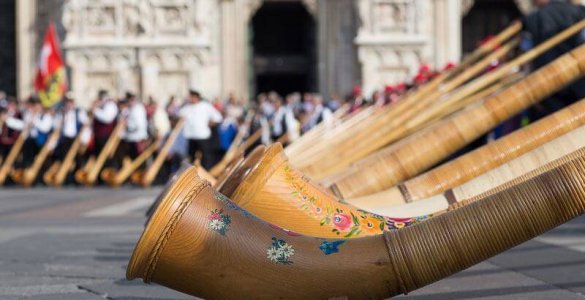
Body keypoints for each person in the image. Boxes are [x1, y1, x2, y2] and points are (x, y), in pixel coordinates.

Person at [522, 0, 585, 119]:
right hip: (577, 83)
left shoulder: (533, 18)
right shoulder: (577, 12)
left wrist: (531, 88)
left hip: (546, 86)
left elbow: (527, 57)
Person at [179, 90, 222, 169]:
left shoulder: (205, 106)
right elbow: (179, 117)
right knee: (191, 158)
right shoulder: (186, 108)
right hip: (191, 137)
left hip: (202, 136)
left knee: (206, 158)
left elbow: (217, 118)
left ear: (196, 97)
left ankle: (206, 173)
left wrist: (210, 123)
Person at [52, 96, 89, 163]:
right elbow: (56, 125)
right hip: (65, 138)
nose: (69, 104)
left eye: (70, 102)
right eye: (67, 102)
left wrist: (81, 135)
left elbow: (86, 123)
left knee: (77, 156)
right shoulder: (62, 113)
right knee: (63, 156)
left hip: (76, 137)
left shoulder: (78, 112)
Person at [21, 96, 54, 168]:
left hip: (41, 143)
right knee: (28, 162)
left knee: (42, 164)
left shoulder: (46, 116)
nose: (35, 107)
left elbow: (45, 128)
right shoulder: (29, 115)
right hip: (30, 142)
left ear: (41, 105)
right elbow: (25, 129)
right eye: (34, 105)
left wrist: (34, 120)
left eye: (37, 105)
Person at [119, 92, 148, 162]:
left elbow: (139, 126)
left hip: (137, 139)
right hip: (131, 139)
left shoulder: (138, 109)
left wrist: (127, 126)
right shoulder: (131, 109)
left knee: (138, 162)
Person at [91, 90, 118, 157]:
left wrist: (95, 111)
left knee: (105, 156)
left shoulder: (111, 105)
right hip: (98, 135)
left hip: (106, 135)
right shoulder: (101, 106)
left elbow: (107, 118)